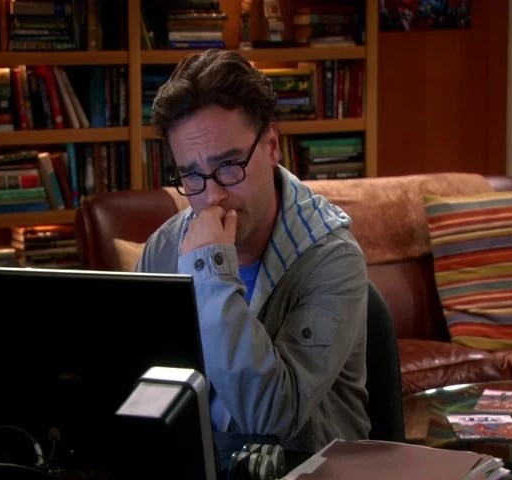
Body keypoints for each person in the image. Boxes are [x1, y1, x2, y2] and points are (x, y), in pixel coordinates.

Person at [136, 49, 370, 453]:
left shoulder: (333, 259)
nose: (212, 196)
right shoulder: (163, 249)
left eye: (229, 165)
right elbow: (143, 389)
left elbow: (271, 417)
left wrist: (209, 273)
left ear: (272, 145)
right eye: (191, 174)